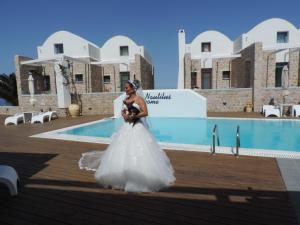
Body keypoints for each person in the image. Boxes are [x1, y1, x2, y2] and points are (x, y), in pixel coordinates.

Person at [79, 80, 175, 192]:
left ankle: (140, 177)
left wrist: (134, 116)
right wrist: (125, 115)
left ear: (133, 89)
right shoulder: (125, 100)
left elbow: (145, 112)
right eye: (125, 88)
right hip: (126, 127)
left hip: (137, 127)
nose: (125, 90)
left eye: (127, 88)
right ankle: (119, 177)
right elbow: (123, 111)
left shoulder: (139, 99)